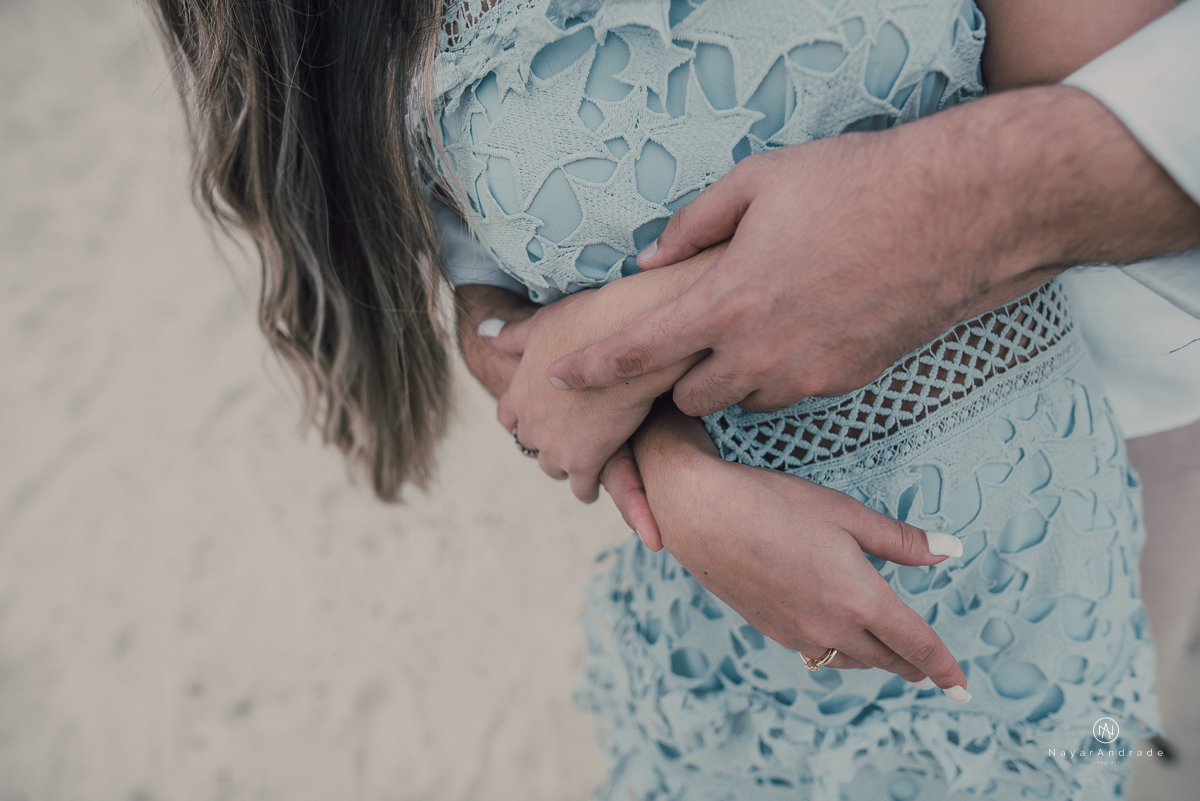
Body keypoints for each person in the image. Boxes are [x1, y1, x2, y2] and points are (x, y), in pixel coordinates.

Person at [147, 0, 1193, 798]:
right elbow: (501, 313)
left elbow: (1089, 122)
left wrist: (640, 327)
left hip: (1063, 518)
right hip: (729, 610)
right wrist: (677, 477)